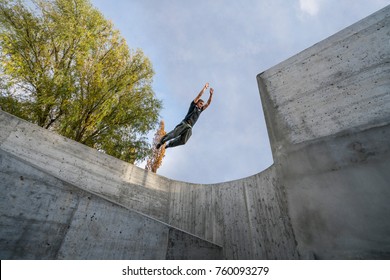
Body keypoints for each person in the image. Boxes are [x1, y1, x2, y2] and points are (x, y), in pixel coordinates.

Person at [156, 82, 214, 149]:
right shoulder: (193, 105)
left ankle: (169, 145)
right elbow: (199, 95)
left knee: (183, 141)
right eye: (200, 103)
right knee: (174, 134)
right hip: (185, 124)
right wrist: (205, 88)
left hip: (189, 128)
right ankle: (161, 142)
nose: (201, 105)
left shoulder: (200, 110)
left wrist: (211, 95)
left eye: (202, 104)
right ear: (197, 103)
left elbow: (208, 103)